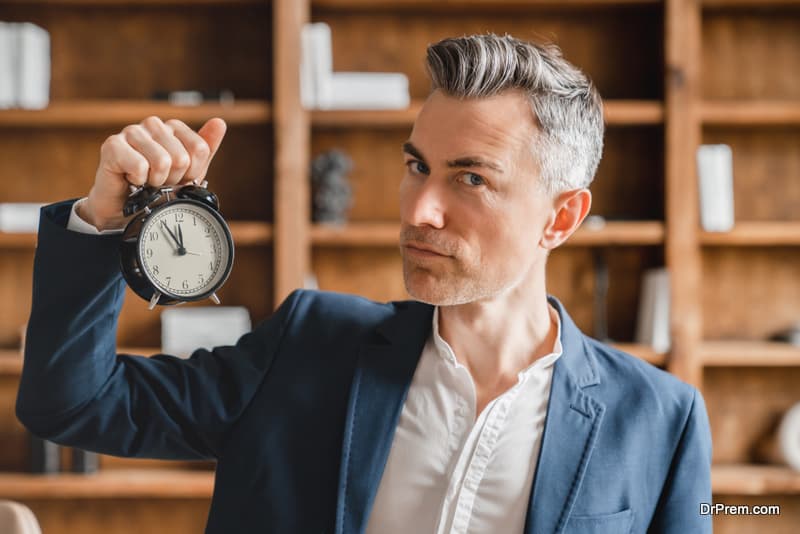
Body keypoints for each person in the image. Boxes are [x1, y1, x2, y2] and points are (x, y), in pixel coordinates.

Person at [16, 34, 711, 533]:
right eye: (418, 166)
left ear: (561, 218)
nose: (418, 209)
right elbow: (71, 405)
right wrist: (101, 221)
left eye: (470, 177)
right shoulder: (308, 344)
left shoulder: (660, 420)